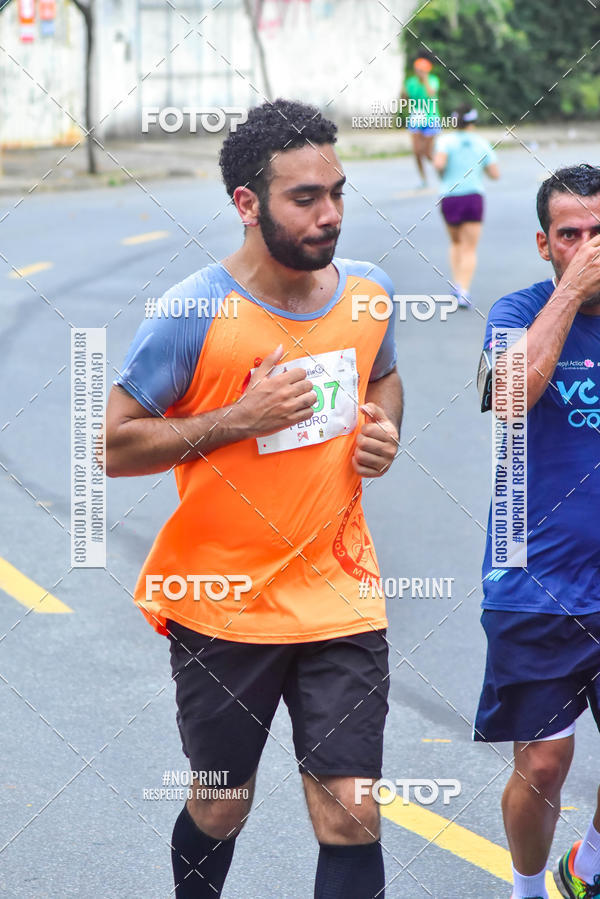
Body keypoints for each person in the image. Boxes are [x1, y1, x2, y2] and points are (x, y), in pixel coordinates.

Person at [105, 98, 403, 898]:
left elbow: (382, 378)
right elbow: (108, 444)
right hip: (223, 603)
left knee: (351, 810)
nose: (330, 213)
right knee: (221, 803)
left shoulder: (370, 292)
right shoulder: (191, 312)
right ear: (247, 204)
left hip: (341, 592)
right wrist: (240, 417)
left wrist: (385, 433)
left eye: (336, 192)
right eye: (305, 198)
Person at [474, 163, 600, 899]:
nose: (587, 245)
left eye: (598, 232)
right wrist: (572, 294)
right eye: (570, 234)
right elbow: (508, 395)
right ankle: (526, 890)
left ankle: (586, 867)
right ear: (545, 244)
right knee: (545, 763)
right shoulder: (514, 311)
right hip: (537, 581)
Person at [433, 102, 500, 308]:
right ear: (473, 122)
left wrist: (444, 175)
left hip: (450, 196)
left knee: (455, 243)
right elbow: (495, 174)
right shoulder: (481, 142)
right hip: (473, 197)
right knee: (470, 248)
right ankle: (464, 290)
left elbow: (439, 164)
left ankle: (456, 284)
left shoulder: (445, 141)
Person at [403, 56, 441, 188]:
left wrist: (425, 80)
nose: (419, 72)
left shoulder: (433, 80)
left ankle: (443, 171)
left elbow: (431, 93)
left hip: (431, 118)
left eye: (422, 70)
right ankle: (423, 179)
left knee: (427, 152)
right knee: (416, 151)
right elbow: (407, 97)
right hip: (417, 117)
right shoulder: (411, 82)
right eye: (418, 70)